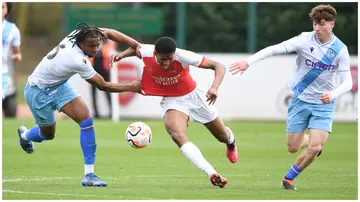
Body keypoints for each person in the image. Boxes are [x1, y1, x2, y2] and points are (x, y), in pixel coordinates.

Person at [229, 4, 352, 190]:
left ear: (332, 24)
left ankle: (289, 178)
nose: (317, 28)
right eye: (314, 23)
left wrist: (333, 94)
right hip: (300, 100)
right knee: (292, 147)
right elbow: (273, 49)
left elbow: (348, 82)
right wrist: (248, 61)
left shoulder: (340, 50)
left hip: (323, 104)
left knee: (315, 147)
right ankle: (313, 140)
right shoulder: (304, 40)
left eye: (321, 23)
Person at [17, 23, 142, 187]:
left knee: (86, 120)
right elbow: (103, 85)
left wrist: (135, 45)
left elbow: (109, 32)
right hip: (38, 91)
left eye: (98, 44)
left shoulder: (80, 34)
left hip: (59, 85)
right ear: (81, 43)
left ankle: (89, 175)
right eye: (92, 46)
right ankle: (25, 136)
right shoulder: (77, 60)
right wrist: (131, 87)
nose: (96, 48)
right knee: (48, 134)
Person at [111, 37, 238, 188]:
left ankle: (231, 142)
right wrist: (122, 55)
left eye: (170, 59)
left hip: (194, 97)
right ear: (155, 53)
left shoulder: (184, 56)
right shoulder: (147, 51)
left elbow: (219, 66)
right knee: (176, 134)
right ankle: (211, 173)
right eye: (163, 59)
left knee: (222, 136)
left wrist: (214, 87)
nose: (166, 63)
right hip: (173, 101)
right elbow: (136, 49)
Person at [2, 2, 22, 116]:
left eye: (2, 7)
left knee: (8, 100)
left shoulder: (12, 29)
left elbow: (17, 52)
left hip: (4, 71)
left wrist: (17, 56)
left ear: (7, 10)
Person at [89, 39, 117, 118]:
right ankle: (96, 113)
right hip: (94, 73)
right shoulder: (92, 49)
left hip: (104, 73)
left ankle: (112, 112)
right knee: (94, 94)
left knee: (108, 92)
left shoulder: (107, 47)